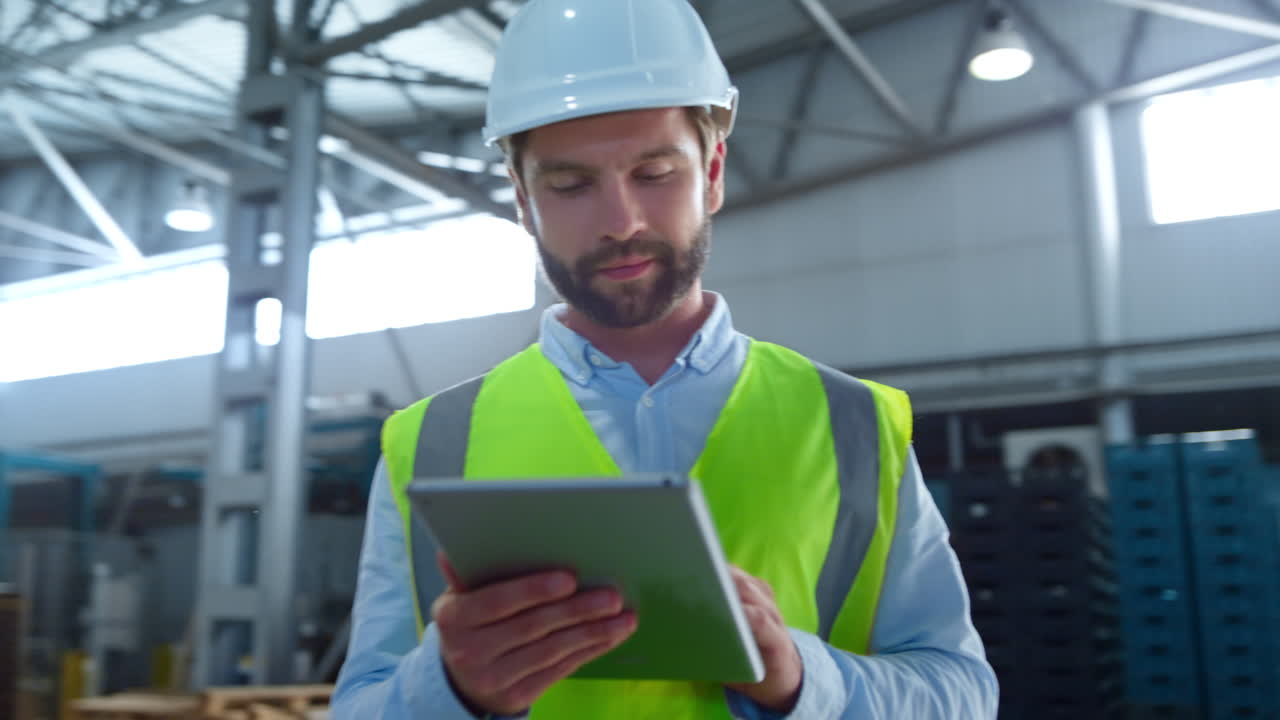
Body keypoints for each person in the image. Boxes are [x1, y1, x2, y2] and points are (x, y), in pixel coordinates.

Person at [333, 0, 998, 717]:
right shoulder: (428, 443)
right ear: (524, 201)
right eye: (570, 186)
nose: (622, 222)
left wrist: (803, 680)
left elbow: (960, 693)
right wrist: (448, 689)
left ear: (712, 172)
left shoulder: (855, 425)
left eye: (655, 173)